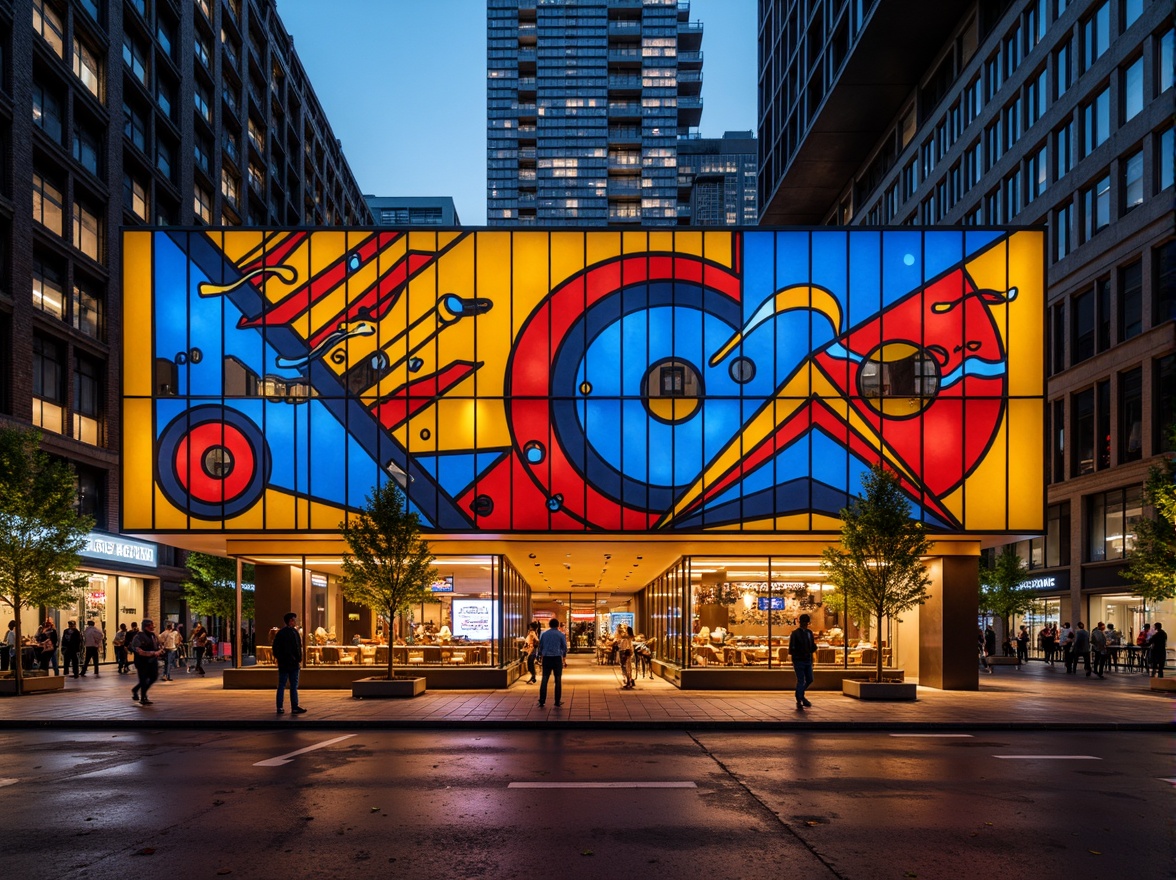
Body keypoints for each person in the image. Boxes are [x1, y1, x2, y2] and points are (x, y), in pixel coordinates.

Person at [272, 612, 307, 715]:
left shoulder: (281, 633)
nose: (295, 622)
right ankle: (294, 706)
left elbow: (276, 649)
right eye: (293, 620)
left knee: (282, 685)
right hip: (292, 664)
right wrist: (298, 659)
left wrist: (281, 659)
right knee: (292, 686)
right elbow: (297, 648)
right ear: (290, 621)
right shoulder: (294, 633)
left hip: (284, 664)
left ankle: (280, 707)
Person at [536, 617, 567, 708]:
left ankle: (542, 700)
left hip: (546, 658)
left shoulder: (544, 634)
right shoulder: (561, 635)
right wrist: (564, 658)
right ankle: (557, 701)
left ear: (549, 625)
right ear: (558, 625)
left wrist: (541, 656)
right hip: (557, 658)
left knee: (545, 679)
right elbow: (564, 647)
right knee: (557, 680)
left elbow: (540, 647)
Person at [130, 619, 162, 706]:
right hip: (142, 661)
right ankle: (143, 697)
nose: (152, 627)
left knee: (153, 677)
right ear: (146, 626)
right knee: (143, 679)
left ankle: (136, 689)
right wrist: (152, 653)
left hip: (152, 661)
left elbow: (159, 645)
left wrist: (159, 651)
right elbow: (139, 650)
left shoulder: (153, 636)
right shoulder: (138, 637)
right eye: (150, 625)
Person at [789, 613, 816, 710]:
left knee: (809, 679)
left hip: (807, 660)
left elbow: (811, 645)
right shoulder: (795, 633)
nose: (805, 624)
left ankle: (799, 695)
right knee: (802, 680)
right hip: (799, 660)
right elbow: (792, 649)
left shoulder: (809, 633)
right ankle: (800, 699)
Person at [617, 625, 635, 689]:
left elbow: (625, 646)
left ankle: (628, 681)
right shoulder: (628, 638)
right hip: (627, 653)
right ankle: (629, 680)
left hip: (625, 653)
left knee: (626, 667)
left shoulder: (626, 638)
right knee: (627, 667)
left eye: (626, 630)